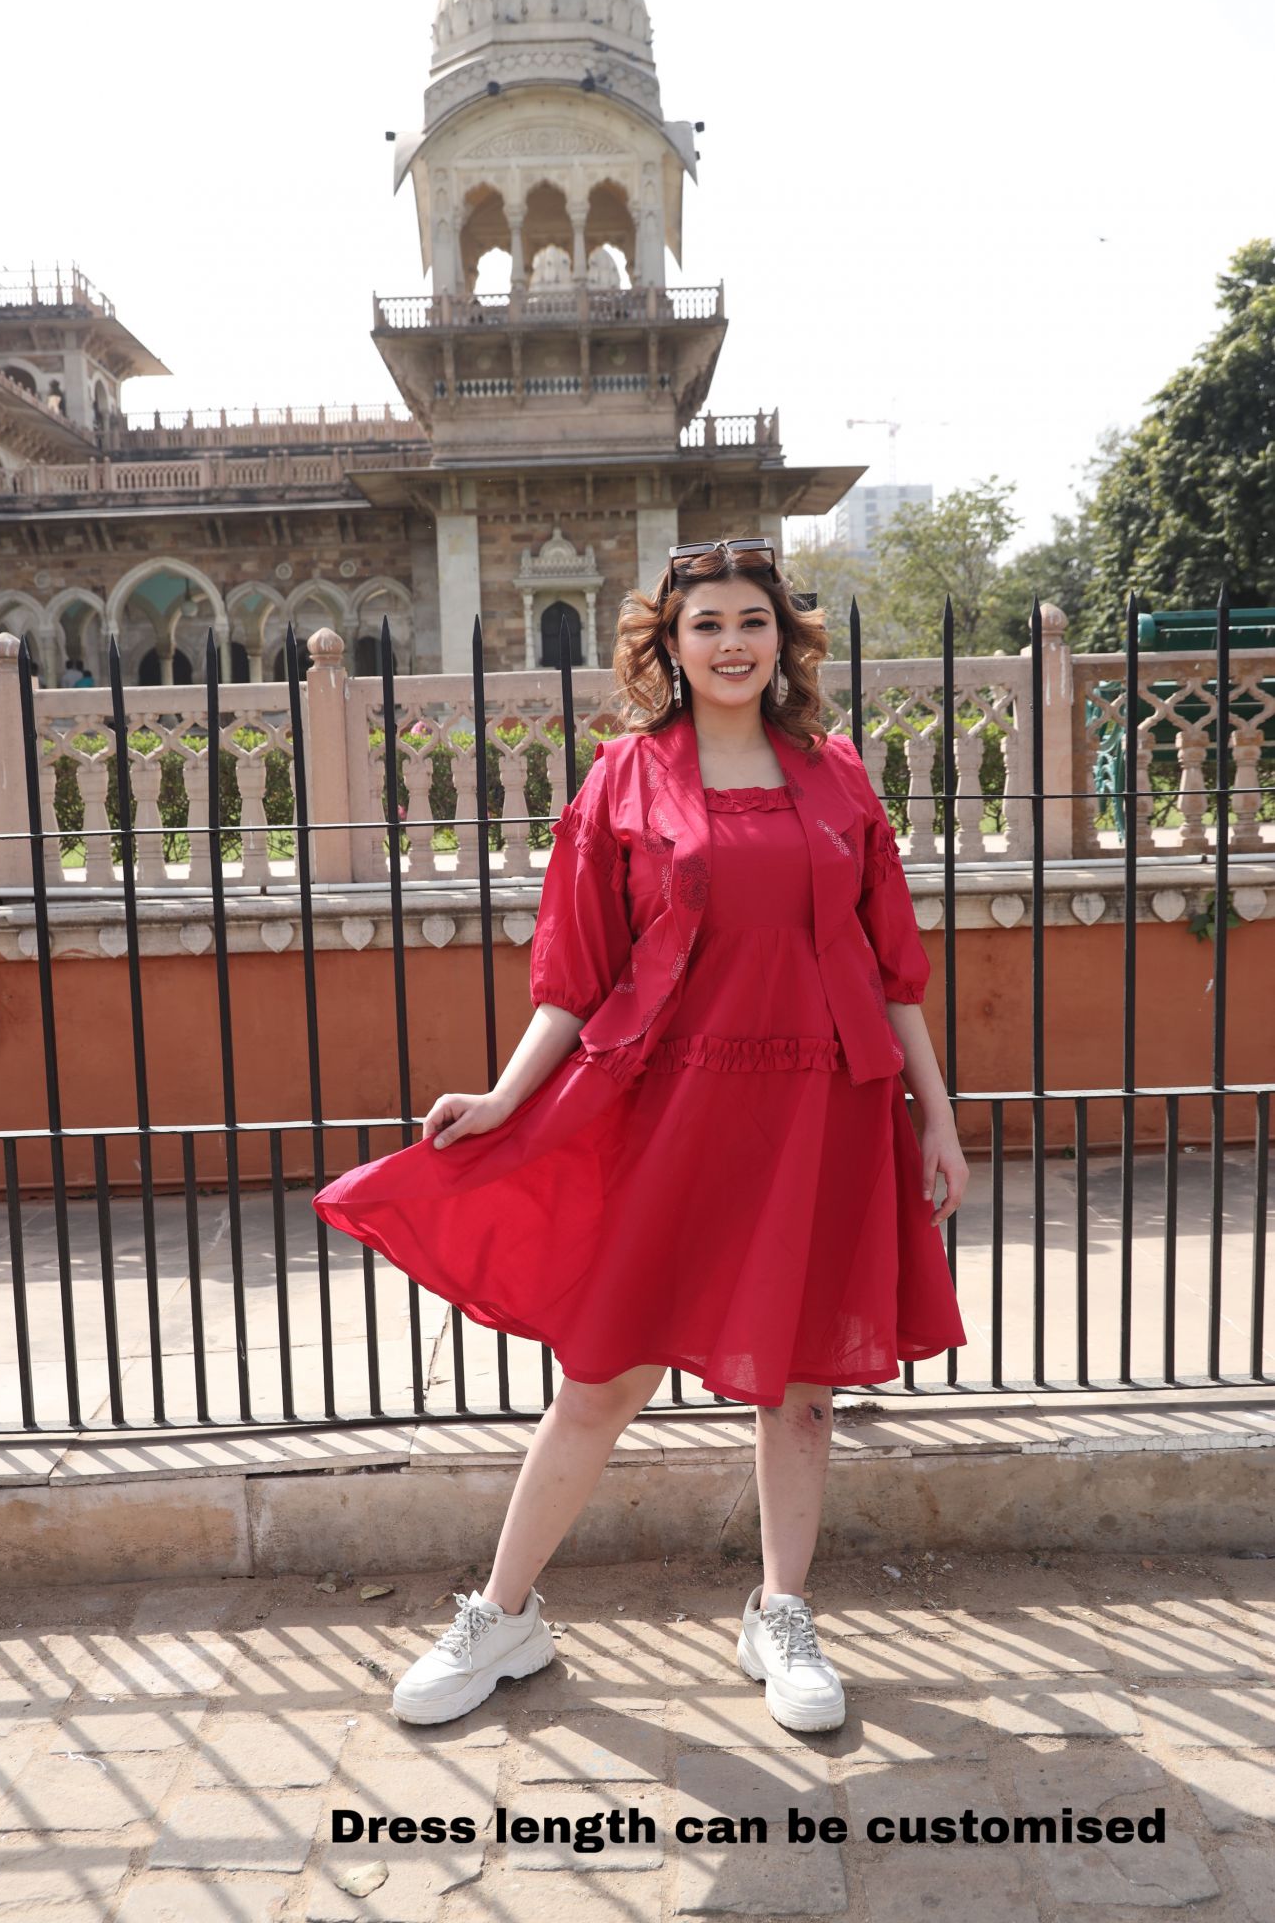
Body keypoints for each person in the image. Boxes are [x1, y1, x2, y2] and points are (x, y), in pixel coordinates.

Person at [313, 537, 969, 1732]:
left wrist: (940, 1117)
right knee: (603, 1380)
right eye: (707, 623)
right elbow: (574, 977)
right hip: (673, 1113)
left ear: (784, 640)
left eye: (753, 621)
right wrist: (505, 1097)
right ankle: (503, 1613)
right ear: (669, 644)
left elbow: (892, 970)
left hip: (824, 1107)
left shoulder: (836, 777)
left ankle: (780, 1610)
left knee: (802, 1385)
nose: (732, 642)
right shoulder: (623, 778)